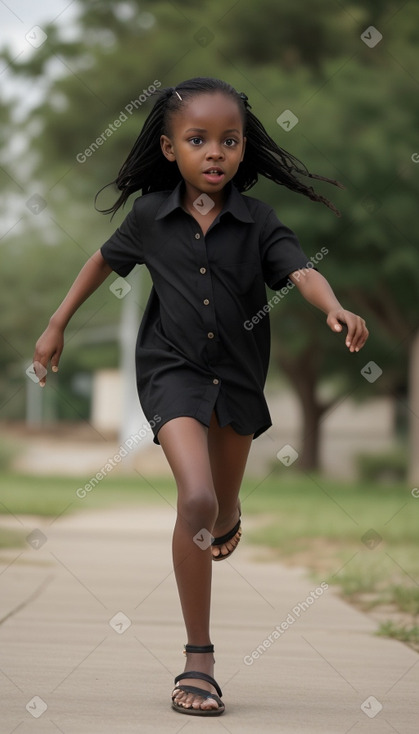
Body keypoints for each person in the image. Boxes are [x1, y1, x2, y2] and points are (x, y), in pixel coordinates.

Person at [33, 77, 369, 717]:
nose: (214, 152)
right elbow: (102, 261)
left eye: (229, 140)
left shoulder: (259, 221)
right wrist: (57, 324)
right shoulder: (149, 218)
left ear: (243, 151)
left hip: (239, 376)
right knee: (196, 497)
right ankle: (199, 660)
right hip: (171, 370)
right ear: (169, 148)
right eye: (198, 139)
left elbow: (301, 270)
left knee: (219, 507)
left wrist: (334, 306)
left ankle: (226, 513)